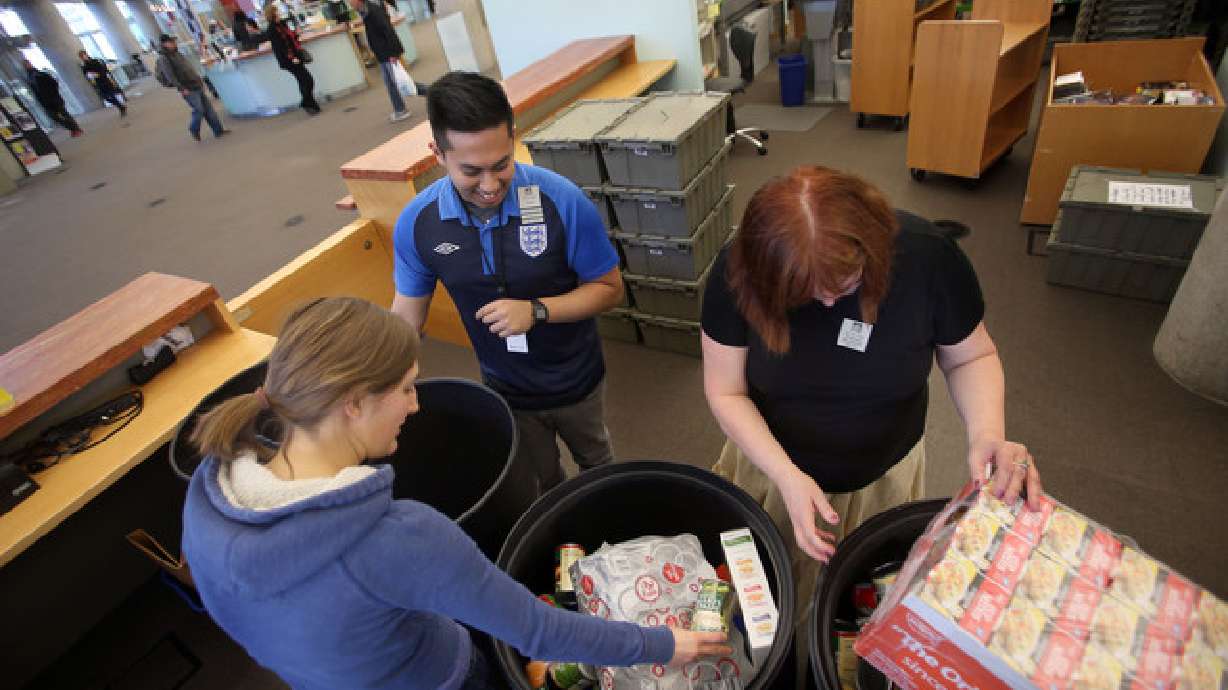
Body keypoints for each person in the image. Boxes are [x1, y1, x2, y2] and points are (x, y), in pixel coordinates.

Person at [182, 297, 730, 689]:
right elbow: (537, 632)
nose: (415, 404)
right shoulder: (399, 539)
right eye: (403, 388)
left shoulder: (210, 497)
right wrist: (663, 644)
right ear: (352, 403)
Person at [700, 166, 1044, 683]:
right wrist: (788, 476)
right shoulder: (738, 271)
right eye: (804, 294)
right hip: (772, 468)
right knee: (766, 603)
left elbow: (970, 357)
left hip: (884, 472)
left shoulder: (928, 258)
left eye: (844, 284)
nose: (828, 303)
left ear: (873, 248)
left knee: (863, 603)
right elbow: (726, 389)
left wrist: (987, 432)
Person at [391, 72, 623, 495]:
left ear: (513, 138)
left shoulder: (562, 200)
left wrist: (536, 310)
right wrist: (375, 378)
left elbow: (609, 289)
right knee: (543, 482)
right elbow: (407, 318)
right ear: (437, 154)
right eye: (471, 171)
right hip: (504, 387)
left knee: (599, 465)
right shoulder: (417, 224)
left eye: (501, 164)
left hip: (576, 379)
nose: (490, 185)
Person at [154, 33, 229, 141]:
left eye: (174, 41)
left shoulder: (177, 53)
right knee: (199, 110)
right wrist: (181, 88)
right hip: (187, 88)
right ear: (165, 44)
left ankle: (218, 131)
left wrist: (199, 79)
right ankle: (193, 129)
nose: (174, 43)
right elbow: (170, 76)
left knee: (209, 109)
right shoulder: (163, 58)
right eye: (171, 42)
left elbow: (188, 68)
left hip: (195, 83)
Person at [348, 0, 411, 122]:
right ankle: (400, 109)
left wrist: (393, 53)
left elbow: (388, 31)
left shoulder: (374, 11)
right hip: (382, 53)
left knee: (402, 82)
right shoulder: (365, 11)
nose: (350, 5)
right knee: (392, 83)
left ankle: (433, 93)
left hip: (388, 53)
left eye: (351, 2)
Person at [264, 4, 320, 114]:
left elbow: (290, 38)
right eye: (277, 11)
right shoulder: (271, 29)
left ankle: (309, 104)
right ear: (272, 14)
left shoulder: (282, 24)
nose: (279, 12)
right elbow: (280, 47)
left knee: (304, 81)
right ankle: (307, 103)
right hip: (289, 60)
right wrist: (292, 58)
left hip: (294, 56)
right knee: (307, 80)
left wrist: (296, 34)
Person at [22, 60, 83, 137]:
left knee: (64, 114)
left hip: (54, 99)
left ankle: (76, 129)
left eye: (27, 64)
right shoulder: (29, 78)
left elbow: (54, 83)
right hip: (45, 101)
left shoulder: (41, 74)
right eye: (25, 65)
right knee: (55, 117)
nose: (26, 66)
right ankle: (73, 128)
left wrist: (53, 94)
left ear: (30, 64)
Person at [78, 50, 127, 117]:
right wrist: (90, 75)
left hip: (104, 80)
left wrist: (97, 74)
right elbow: (86, 74)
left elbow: (103, 70)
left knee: (112, 95)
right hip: (98, 83)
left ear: (86, 55)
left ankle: (121, 107)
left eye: (84, 55)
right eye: (82, 56)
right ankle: (121, 106)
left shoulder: (95, 61)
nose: (84, 57)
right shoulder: (85, 66)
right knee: (106, 98)